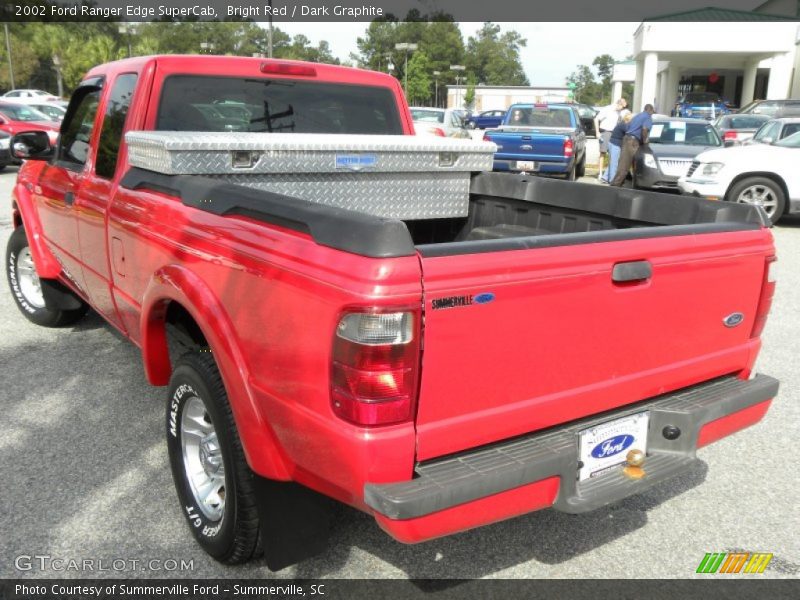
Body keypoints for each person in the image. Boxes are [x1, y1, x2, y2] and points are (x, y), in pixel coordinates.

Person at [610, 104, 655, 187]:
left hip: (627, 139)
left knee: (625, 164)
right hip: (633, 141)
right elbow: (644, 129)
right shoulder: (648, 117)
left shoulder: (638, 116)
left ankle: (620, 183)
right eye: (653, 112)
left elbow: (628, 126)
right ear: (651, 110)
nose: (652, 113)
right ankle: (615, 185)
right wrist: (645, 142)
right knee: (624, 166)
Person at [594, 98, 627, 180]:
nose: (622, 109)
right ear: (618, 104)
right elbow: (596, 119)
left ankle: (608, 174)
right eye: (622, 107)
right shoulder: (608, 109)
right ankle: (600, 173)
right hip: (605, 132)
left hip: (614, 133)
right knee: (603, 152)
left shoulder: (619, 112)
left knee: (613, 154)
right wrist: (597, 132)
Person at [602, 109, 632, 184]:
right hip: (615, 144)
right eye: (631, 119)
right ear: (627, 118)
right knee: (614, 163)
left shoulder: (622, 123)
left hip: (613, 143)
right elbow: (629, 132)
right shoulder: (624, 125)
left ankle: (605, 177)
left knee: (612, 162)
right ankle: (612, 180)